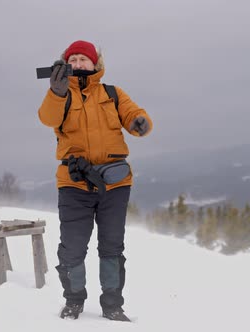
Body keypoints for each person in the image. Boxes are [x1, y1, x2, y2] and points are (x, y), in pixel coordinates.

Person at [38, 40, 152, 322]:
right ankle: (74, 301)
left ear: (95, 63)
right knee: (73, 247)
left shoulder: (112, 93)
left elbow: (133, 114)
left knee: (112, 246)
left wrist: (140, 122)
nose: (77, 64)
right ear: (65, 64)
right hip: (74, 184)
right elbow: (47, 118)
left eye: (83, 59)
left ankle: (112, 305)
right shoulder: (60, 95)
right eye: (72, 59)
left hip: (114, 184)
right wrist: (56, 91)